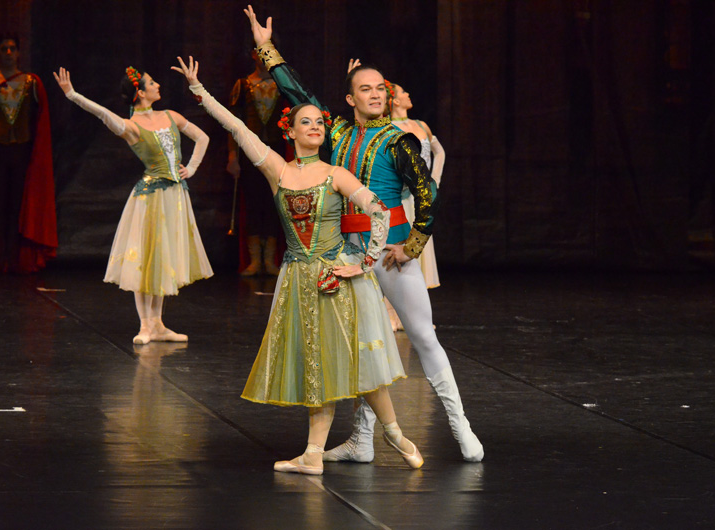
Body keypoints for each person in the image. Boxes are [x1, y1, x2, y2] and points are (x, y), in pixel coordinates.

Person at [244, 5, 484, 462]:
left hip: (389, 250)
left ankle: (461, 427)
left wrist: (412, 245)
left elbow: (428, 194)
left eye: (381, 89)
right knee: (360, 343)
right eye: (365, 89)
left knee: (422, 335)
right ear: (350, 98)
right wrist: (266, 48)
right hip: (344, 253)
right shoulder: (334, 131)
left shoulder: (398, 140)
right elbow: (297, 93)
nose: (376, 94)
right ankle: (361, 441)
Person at [172, 55, 422, 475]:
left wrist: (364, 263)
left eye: (320, 123)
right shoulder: (279, 171)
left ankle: (394, 432)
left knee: (358, 362)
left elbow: (379, 211)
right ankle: (313, 453)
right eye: (306, 122)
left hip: (336, 275)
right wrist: (199, 91)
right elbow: (238, 128)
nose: (316, 127)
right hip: (298, 279)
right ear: (289, 131)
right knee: (316, 365)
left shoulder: (336, 174)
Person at [53, 65, 212, 344]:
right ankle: (145, 325)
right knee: (145, 257)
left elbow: (202, 137)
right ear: (140, 92)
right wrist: (72, 95)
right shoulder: (131, 127)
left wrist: (192, 168)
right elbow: (103, 114)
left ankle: (158, 324)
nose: (158, 85)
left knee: (163, 258)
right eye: (152, 83)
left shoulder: (171, 116)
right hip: (150, 199)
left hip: (175, 196)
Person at [0, 33, 57, 273]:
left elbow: (42, 120)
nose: (9, 53)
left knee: (19, 205)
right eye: (4, 48)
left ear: (19, 52)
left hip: (22, 151)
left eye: (12, 48)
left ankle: (16, 259)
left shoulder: (31, 83)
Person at [227, 46, 287, 276]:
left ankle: (270, 260)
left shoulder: (282, 84)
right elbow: (233, 124)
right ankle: (254, 260)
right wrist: (233, 156)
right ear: (253, 54)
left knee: (274, 203)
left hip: (276, 152)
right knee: (252, 204)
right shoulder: (242, 85)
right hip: (250, 153)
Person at [388, 81, 444, 290]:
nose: (408, 93)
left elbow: (439, 152)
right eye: (403, 91)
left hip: (418, 197)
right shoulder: (388, 129)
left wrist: (434, 180)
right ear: (394, 100)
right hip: (400, 198)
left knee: (420, 236)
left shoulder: (421, 125)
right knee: (400, 243)